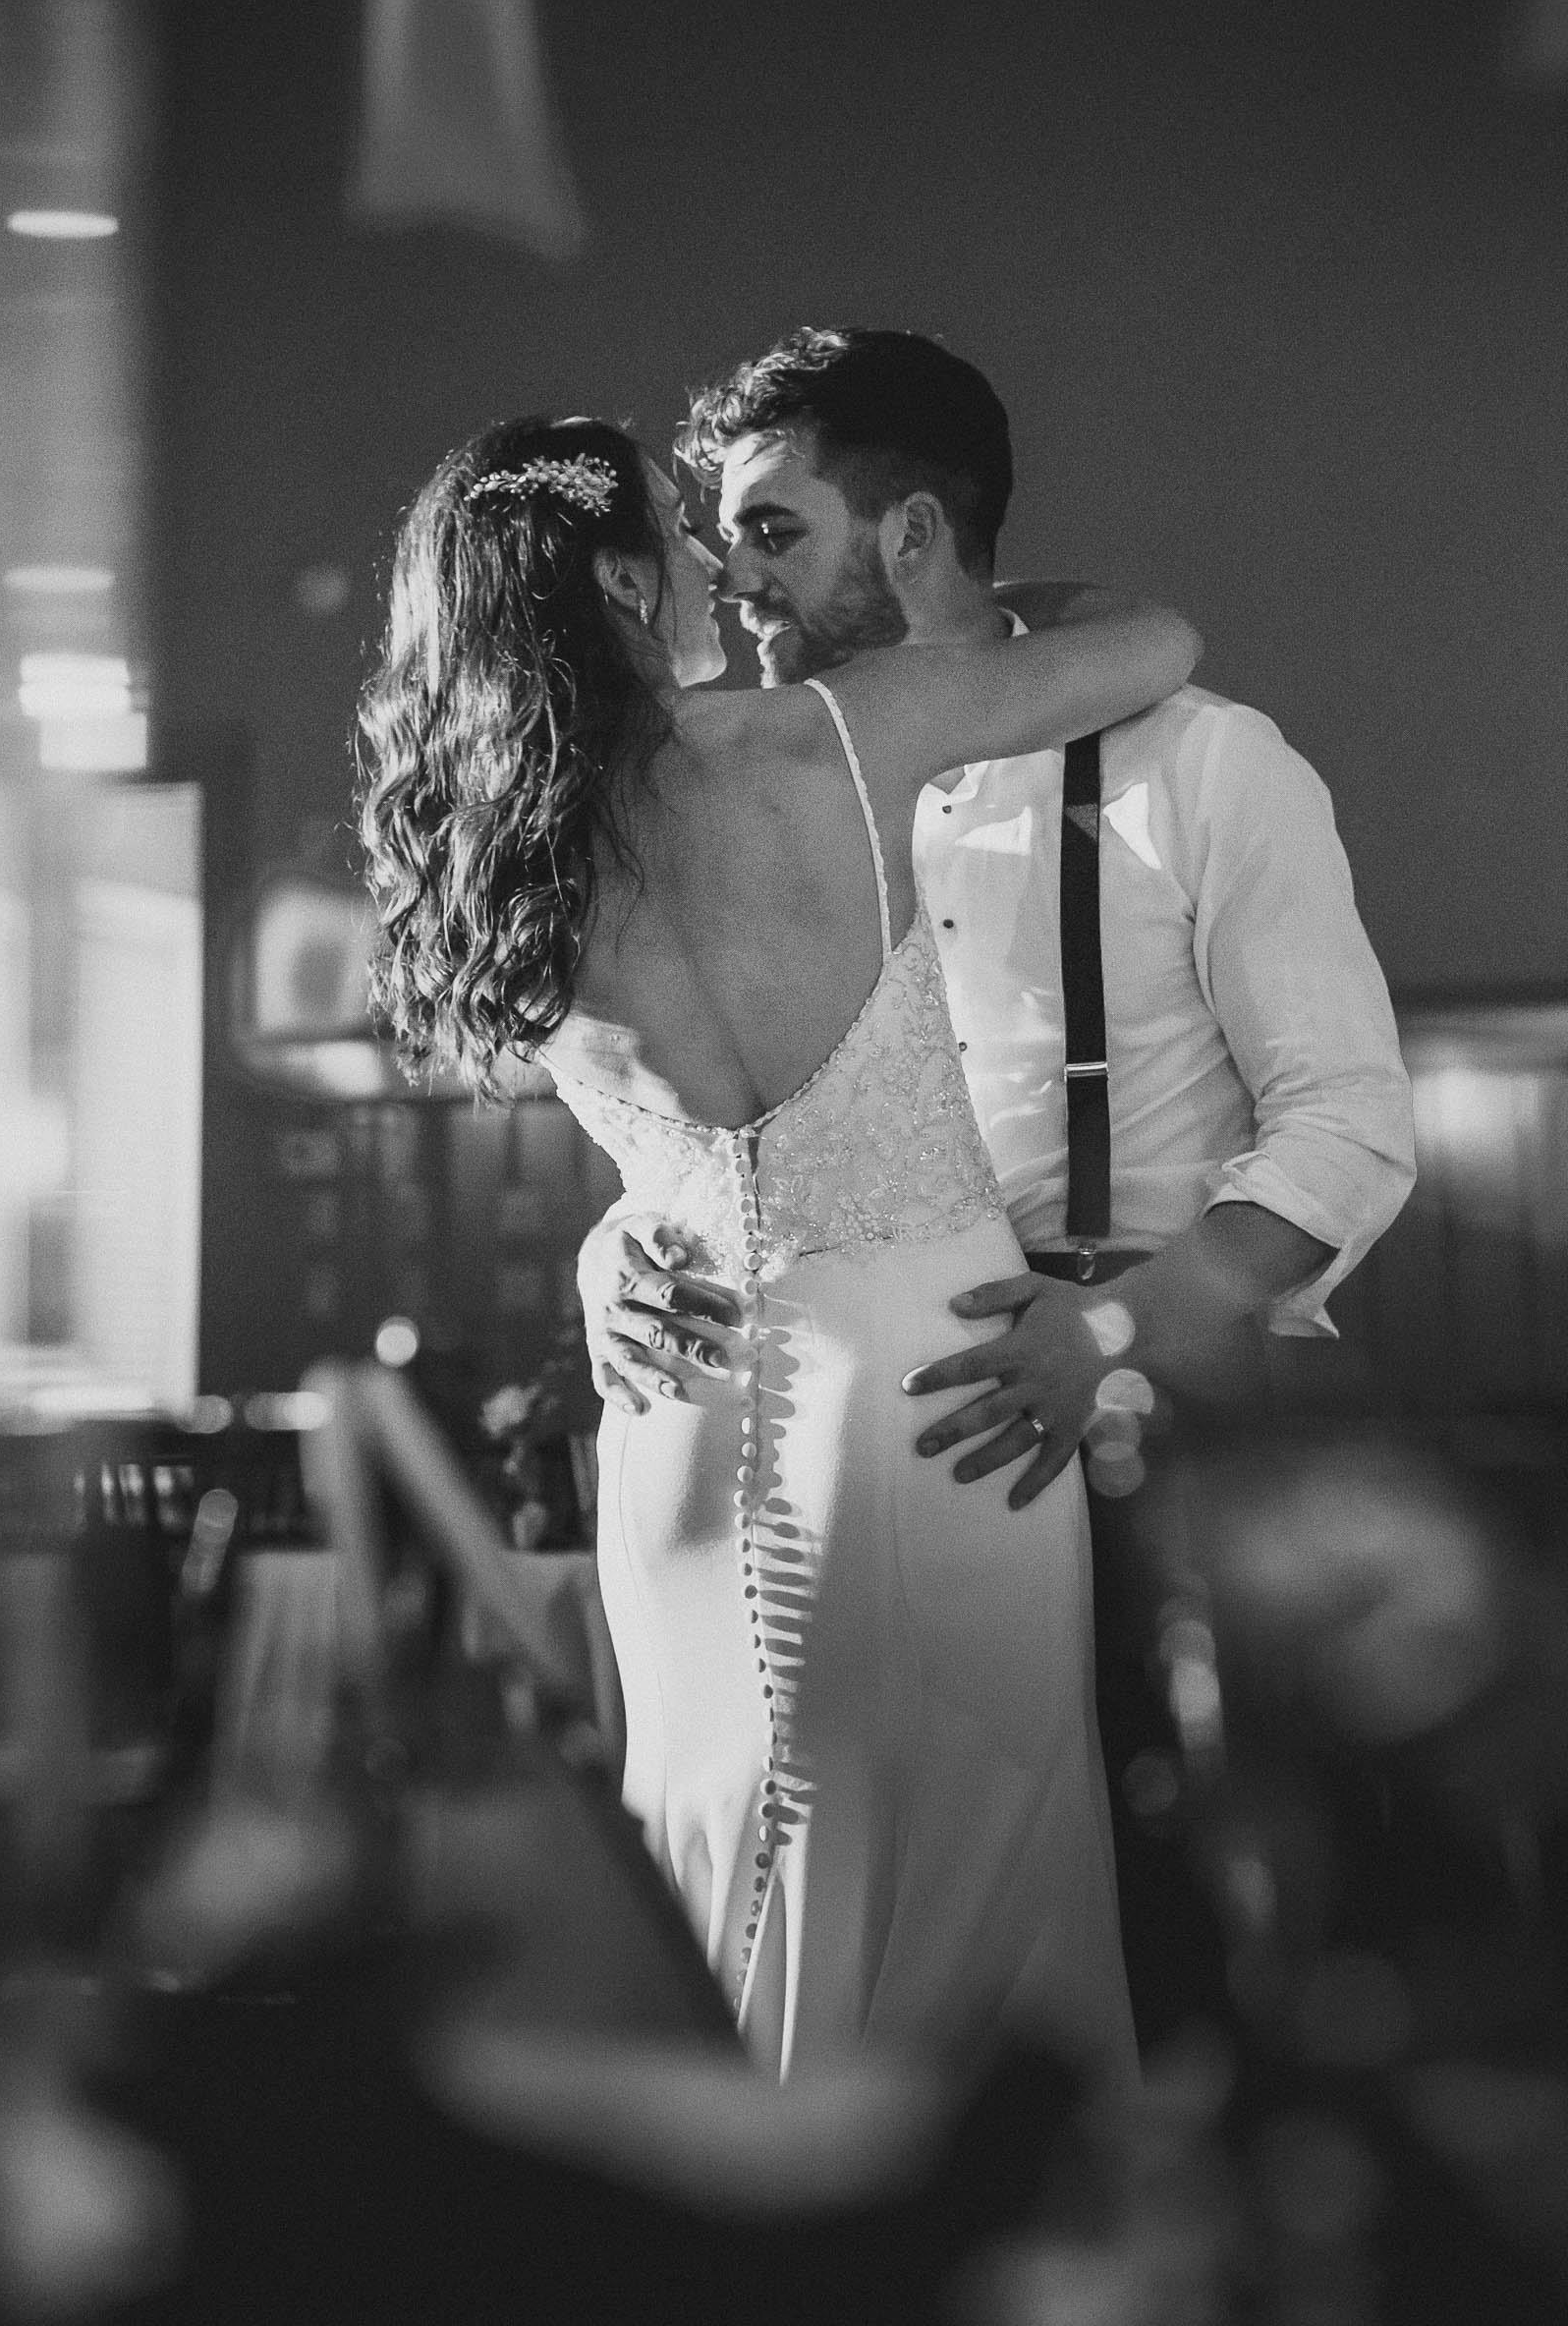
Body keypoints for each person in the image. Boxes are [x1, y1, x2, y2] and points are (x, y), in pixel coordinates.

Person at [580, 327, 1417, 2039]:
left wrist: (1111, 1330)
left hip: (1165, 1434)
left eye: (773, 528)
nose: (734, 580)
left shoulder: (1200, 764)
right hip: (888, 1452)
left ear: (908, 540)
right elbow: (731, 1110)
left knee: (1208, 1938)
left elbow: (1347, 1129)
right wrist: (622, 1242)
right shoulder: (756, 788)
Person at [356, 408, 1201, 2086]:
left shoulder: (490, 840)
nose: (720, 564)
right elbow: (1158, 641)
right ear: (616, 575)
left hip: (678, 1409)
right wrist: (933, 586)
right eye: (685, 530)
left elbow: (681, 1154)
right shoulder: (826, 735)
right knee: (968, 1885)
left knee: (713, 1850)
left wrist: (611, 1255)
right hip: (934, 1391)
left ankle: (737, 2229)